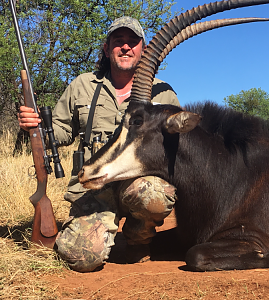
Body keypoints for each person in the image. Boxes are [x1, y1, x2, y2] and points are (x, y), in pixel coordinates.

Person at [18, 16, 180, 272]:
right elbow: (60, 132)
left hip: (135, 182)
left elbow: (174, 145)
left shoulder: (163, 92)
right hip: (93, 188)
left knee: (156, 195)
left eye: (132, 42)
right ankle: (100, 232)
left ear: (143, 50)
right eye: (118, 41)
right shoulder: (82, 85)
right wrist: (34, 125)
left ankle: (138, 239)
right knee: (81, 259)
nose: (125, 47)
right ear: (106, 48)